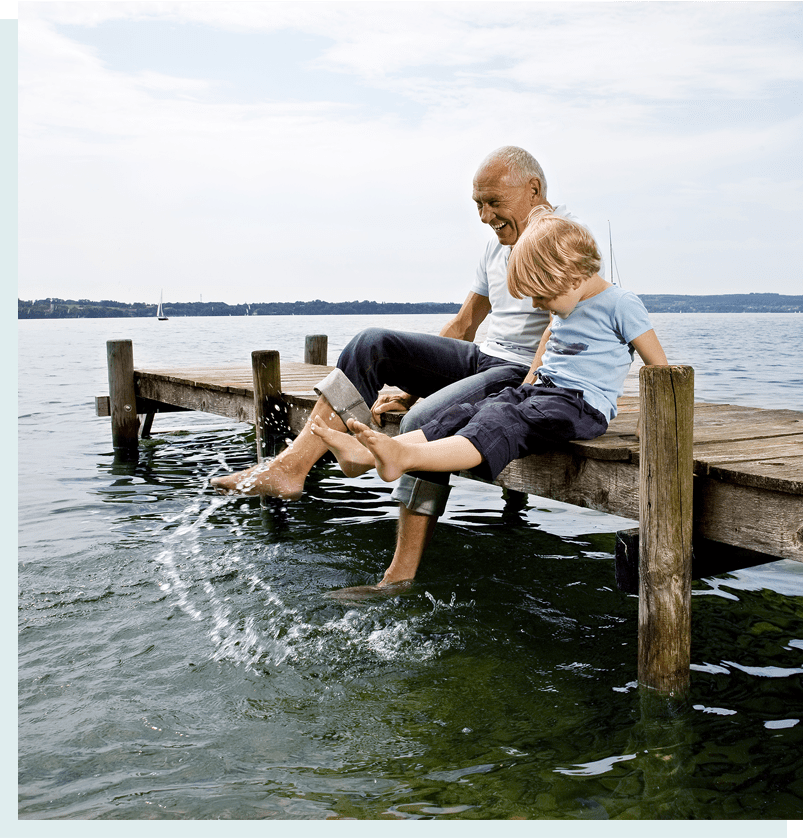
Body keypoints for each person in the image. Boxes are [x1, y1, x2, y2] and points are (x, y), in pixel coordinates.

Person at [212, 146, 604, 588]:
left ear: (533, 189)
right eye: (477, 204)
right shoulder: (496, 247)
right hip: (483, 357)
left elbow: (566, 328)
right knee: (370, 344)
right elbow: (463, 324)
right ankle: (294, 466)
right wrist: (416, 382)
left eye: (494, 202)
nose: (484, 215)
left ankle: (399, 575)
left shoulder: (567, 237)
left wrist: (527, 388)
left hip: (522, 373)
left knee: (423, 420)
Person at [310, 208, 668, 529]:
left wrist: (649, 423)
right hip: (542, 391)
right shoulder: (566, 304)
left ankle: (403, 455)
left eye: (542, 297)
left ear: (573, 276)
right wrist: (527, 385)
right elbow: (546, 348)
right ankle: (371, 454)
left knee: (501, 421)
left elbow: (660, 369)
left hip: (580, 405)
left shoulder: (621, 304)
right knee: (471, 410)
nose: (538, 304)